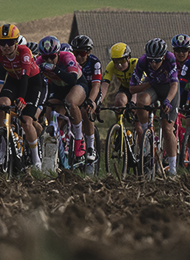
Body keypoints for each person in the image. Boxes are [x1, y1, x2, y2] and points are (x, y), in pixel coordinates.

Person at [0, 23, 45, 170]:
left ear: (16, 42)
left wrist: (22, 98)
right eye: (2, 42)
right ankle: (3, 149)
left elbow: (25, 77)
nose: (5, 46)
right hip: (13, 82)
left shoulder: (25, 52)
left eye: (10, 42)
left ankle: (36, 159)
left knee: (26, 121)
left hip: (32, 83)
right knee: (2, 105)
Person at [129, 38, 181, 176]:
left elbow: (174, 84)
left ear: (163, 57)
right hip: (152, 87)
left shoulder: (170, 59)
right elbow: (132, 88)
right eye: (151, 60)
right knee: (141, 101)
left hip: (169, 89)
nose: (153, 63)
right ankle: (147, 135)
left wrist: (168, 101)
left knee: (167, 128)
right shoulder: (142, 61)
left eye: (157, 60)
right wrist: (149, 83)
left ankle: (172, 168)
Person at [37, 35, 88, 165]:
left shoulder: (67, 57)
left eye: (52, 56)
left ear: (58, 53)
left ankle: (78, 138)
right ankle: (58, 146)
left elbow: (72, 79)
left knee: (71, 103)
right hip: (58, 86)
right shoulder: (38, 61)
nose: (48, 59)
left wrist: (55, 69)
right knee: (51, 114)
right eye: (45, 57)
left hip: (76, 83)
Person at [70, 34, 102, 164]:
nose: (78, 57)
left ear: (88, 52)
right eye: (75, 52)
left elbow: (96, 86)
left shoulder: (95, 62)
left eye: (81, 53)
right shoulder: (71, 62)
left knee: (86, 111)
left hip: (92, 92)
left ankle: (90, 147)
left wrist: (91, 101)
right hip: (79, 91)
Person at [102, 42, 138, 110]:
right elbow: (104, 86)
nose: (119, 65)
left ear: (128, 57)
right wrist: (98, 102)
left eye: (122, 61)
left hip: (139, 88)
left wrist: (133, 102)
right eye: (115, 61)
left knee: (137, 110)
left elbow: (137, 85)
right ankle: (119, 120)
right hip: (126, 87)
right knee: (119, 101)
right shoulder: (111, 66)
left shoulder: (136, 64)